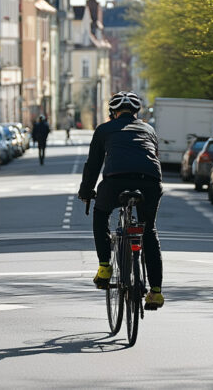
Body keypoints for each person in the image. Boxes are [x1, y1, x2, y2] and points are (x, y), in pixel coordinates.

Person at [77, 91, 165, 310]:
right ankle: (155, 292)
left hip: (116, 181)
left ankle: (105, 266)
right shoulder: (149, 129)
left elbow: (93, 165)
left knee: (101, 215)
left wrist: (86, 191)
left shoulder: (104, 129)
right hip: (150, 182)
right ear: (136, 113)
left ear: (113, 112)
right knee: (149, 231)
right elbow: (155, 157)